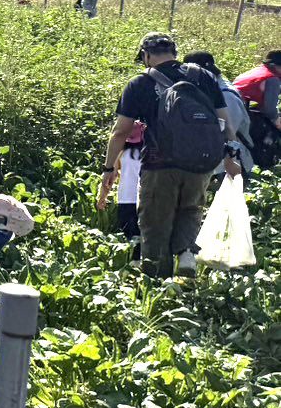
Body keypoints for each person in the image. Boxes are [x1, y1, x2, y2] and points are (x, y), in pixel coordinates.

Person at [98, 32, 237, 278]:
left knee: (155, 222)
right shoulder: (202, 76)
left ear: (146, 55)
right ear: (175, 52)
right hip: (201, 162)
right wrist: (230, 156)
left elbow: (120, 132)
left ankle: (156, 282)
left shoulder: (140, 83)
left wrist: (109, 169)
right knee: (190, 209)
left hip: (160, 164)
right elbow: (226, 123)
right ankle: (185, 255)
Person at [96, 124, 144, 251]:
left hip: (126, 200)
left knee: (131, 241)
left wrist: (102, 197)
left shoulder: (121, 152)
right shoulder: (152, 150)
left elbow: (112, 176)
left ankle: (133, 266)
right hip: (149, 199)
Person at [232, 50, 281, 169]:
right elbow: (269, 110)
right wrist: (277, 121)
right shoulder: (272, 79)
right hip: (243, 115)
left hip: (232, 111)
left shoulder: (256, 71)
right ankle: (265, 164)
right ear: (277, 66)